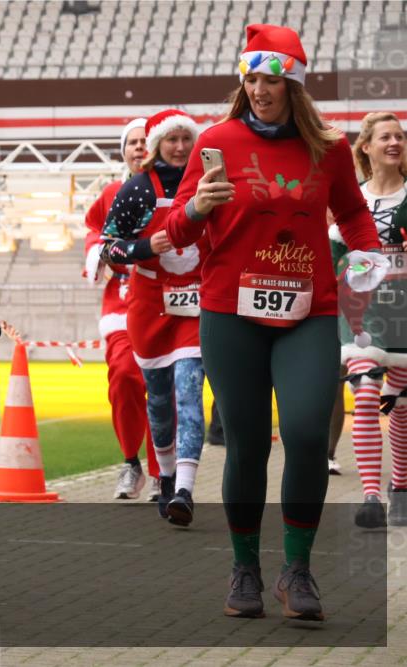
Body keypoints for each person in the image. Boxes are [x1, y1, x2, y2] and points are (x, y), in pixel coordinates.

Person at [164, 24, 386, 621]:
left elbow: (356, 218)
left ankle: (298, 569)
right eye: (252, 78)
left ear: (295, 83)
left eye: (273, 79)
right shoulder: (217, 142)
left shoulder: (331, 148)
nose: (261, 89)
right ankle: (245, 571)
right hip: (229, 314)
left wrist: (369, 260)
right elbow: (176, 234)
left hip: (308, 312)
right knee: (247, 444)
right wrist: (195, 207)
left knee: (309, 434)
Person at [100, 109, 207, 527]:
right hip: (149, 308)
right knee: (159, 403)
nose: (180, 148)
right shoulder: (137, 190)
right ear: (156, 144)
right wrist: (146, 246)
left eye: (186, 139)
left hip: (196, 306)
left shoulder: (208, 185)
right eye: (171, 140)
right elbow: (110, 248)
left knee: (189, 393)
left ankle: (185, 487)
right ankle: (163, 477)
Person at [333, 112, 407, 528]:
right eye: (385, 137)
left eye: (399, 136)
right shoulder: (352, 201)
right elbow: (331, 254)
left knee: (399, 406)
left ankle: (401, 487)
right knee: (364, 391)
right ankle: (370, 497)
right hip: (363, 312)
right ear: (366, 147)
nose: (394, 142)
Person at [84, 118, 161, 501]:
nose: (139, 147)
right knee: (126, 376)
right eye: (133, 142)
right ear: (124, 150)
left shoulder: (175, 190)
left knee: (168, 386)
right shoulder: (114, 191)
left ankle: (166, 469)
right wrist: (100, 254)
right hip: (123, 304)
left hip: (169, 303)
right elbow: (94, 233)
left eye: (147, 141)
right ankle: (131, 462)